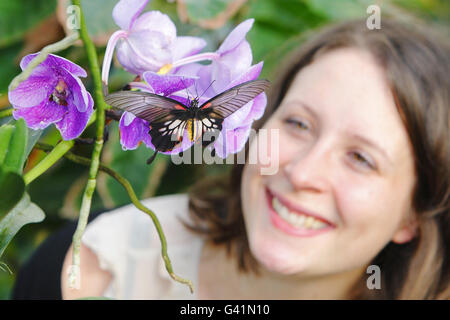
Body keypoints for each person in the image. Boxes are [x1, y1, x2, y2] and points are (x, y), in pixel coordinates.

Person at [50, 18, 448, 299]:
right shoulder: (99, 262)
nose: (303, 172)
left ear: (413, 213)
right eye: (298, 124)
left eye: (361, 158)